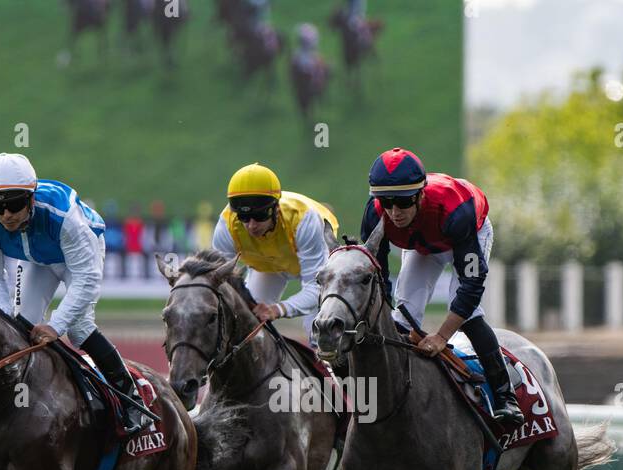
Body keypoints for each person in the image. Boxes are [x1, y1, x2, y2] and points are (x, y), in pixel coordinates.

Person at [0, 152, 147, 432]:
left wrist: (55, 326)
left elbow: (87, 279)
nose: (5, 215)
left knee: (78, 328)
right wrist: (4, 322)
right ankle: (20, 401)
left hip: (78, 260)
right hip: (36, 260)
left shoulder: (63, 215)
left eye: (14, 204)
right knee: (18, 328)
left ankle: (131, 398)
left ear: (31, 196)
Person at [359, 147, 523, 428]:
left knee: (467, 315)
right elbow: (378, 278)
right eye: (386, 202)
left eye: (403, 202)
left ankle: (505, 396)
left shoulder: (455, 210)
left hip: (464, 233)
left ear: (420, 194)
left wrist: (441, 336)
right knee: (401, 315)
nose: (394, 212)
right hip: (422, 242)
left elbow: (471, 286)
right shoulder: (375, 215)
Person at [211, 162, 339, 341]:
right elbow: (219, 283)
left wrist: (278, 309)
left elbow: (315, 288)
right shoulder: (226, 225)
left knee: (320, 334)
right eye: (244, 217)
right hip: (267, 268)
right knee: (247, 328)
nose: (251, 225)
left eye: (260, 215)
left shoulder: (304, 219)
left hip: (310, 268)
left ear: (276, 208)